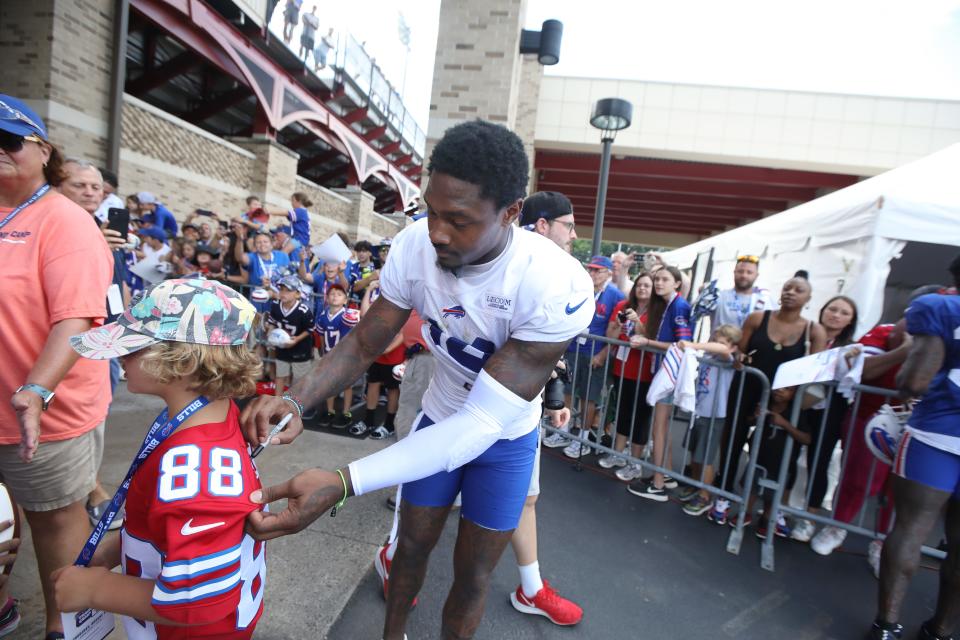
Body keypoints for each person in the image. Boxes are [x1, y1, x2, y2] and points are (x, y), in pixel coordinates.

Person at [239, 119, 594, 640]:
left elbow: (479, 425)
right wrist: (295, 400)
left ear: (512, 213)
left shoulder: (555, 282)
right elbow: (364, 342)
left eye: (459, 219)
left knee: (473, 574)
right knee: (409, 549)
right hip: (440, 413)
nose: (437, 232)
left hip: (504, 438)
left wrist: (342, 483)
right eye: (431, 211)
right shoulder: (414, 246)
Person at [55, 278, 266, 638]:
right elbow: (171, 528)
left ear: (183, 363)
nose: (121, 354)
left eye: (134, 346)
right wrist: (114, 551)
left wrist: (93, 590)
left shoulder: (195, 473)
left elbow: (196, 601)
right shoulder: (212, 415)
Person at [0, 94, 114, 638]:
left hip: (44, 414)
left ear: (43, 151)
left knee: (55, 523)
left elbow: (76, 320)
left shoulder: (64, 221)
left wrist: (35, 391)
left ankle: (65, 626)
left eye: (7, 140)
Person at [869, 258, 960, 640]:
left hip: (937, 432)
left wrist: (905, 378)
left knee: (910, 529)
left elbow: (917, 380)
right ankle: (940, 631)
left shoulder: (939, 306)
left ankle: (887, 627)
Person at [708, 274, 827, 524]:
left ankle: (771, 510)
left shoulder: (814, 331)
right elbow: (740, 349)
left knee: (779, 452)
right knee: (732, 441)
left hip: (785, 400)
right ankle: (723, 494)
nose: (791, 292)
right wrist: (739, 357)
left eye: (798, 290)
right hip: (748, 389)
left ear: (809, 298)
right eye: (787, 287)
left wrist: (792, 394)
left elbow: (815, 369)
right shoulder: (757, 318)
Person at [790, 295, 859, 543]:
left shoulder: (852, 347)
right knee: (788, 455)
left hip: (830, 411)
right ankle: (780, 508)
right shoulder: (805, 333)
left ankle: (807, 519)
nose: (836, 315)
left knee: (818, 463)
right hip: (798, 404)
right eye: (832, 309)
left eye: (843, 312)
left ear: (850, 320)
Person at [626, 265, 693, 501]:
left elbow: (683, 345)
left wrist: (647, 342)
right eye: (657, 279)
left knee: (659, 427)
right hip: (662, 370)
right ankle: (666, 475)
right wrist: (644, 336)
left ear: (677, 283)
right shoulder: (665, 305)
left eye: (664, 279)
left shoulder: (680, 306)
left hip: (669, 373)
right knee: (661, 426)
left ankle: (657, 484)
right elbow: (656, 337)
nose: (658, 283)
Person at [675, 325, 742, 516]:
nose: (715, 344)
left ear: (733, 347)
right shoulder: (709, 357)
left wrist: (692, 345)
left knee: (705, 458)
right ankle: (697, 485)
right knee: (695, 454)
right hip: (699, 412)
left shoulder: (726, 360)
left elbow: (723, 351)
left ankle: (705, 495)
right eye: (714, 339)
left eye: (720, 341)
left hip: (714, 415)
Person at [563, 255, 625, 458]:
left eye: (597, 270)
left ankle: (583, 437)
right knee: (568, 389)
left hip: (595, 352)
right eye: (590, 269)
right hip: (575, 348)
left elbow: (617, 330)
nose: (592, 273)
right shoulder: (583, 290)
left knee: (589, 396)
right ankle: (563, 430)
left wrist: (603, 353)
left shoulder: (615, 295)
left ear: (608, 273)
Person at [595, 271, 655, 482]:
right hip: (622, 367)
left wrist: (637, 320)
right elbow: (611, 338)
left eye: (647, 285)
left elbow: (650, 337)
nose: (642, 289)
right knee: (622, 411)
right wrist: (617, 326)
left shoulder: (657, 311)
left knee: (641, 418)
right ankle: (618, 454)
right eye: (639, 285)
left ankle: (635, 464)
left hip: (646, 372)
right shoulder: (622, 305)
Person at [748, 387, 811, 538]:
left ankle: (766, 520)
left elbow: (807, 439)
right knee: (751, 487)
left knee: (773, 494)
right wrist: (756, 417)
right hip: (759, 458)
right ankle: (745, 513)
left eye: (787, 389)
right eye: (778, 387)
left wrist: (785, 424)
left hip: (782, 463)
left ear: (794, 393)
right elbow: (749, 421)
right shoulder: (764, 404)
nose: (780, 391)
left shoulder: (797, 412)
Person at [314, 283, 360, 428]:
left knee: (346, 385)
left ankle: (346, 412)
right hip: (329, 355)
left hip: (345, 356)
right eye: (332, 294)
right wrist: (323, 352)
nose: (335, 296)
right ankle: (330, 411)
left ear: (345, 300)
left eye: (339, 294)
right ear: (327, 298)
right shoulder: (323, 315)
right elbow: (321, 335)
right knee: (329, 385)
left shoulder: (348, 315)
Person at [267, 275, 315, 397]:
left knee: (299, 379)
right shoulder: (276, 306)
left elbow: (310, 329)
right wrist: (271, 332)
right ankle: (277, 401)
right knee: (280, 375)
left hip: (301, 348)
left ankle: (295, 404)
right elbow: (272, 322)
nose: (283, 293)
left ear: (298, 294)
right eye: (281, 289)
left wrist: (297, 339)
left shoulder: (303, 311)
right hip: (282, 347)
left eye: (288, 290)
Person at [710, 255, 777, 329]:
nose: (744, 275)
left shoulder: (766, 301)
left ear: (756, 275)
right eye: (740, 271)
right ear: (734, 272)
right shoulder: (718, 296)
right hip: (719, 340)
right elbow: (698, 312)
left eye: (749, 272)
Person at [235, 229, 290, 311]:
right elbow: (240, 258)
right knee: (257, 322)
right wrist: (240, 240)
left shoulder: (282, 256)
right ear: (255, 246)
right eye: (258, 242)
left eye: (265, 242)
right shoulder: (252, 257)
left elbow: (288, 278)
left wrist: (273, 290)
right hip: (258, 300)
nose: (262, 244)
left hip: (278, 299)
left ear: (272, 244)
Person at [347, 239, 378, 307]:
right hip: (353, 306)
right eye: (358, 251)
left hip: (369, 306)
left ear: (370, 253)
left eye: (364, 251)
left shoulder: (376, 269)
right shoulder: (353, 267)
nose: (361, 253)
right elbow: (352, 287)